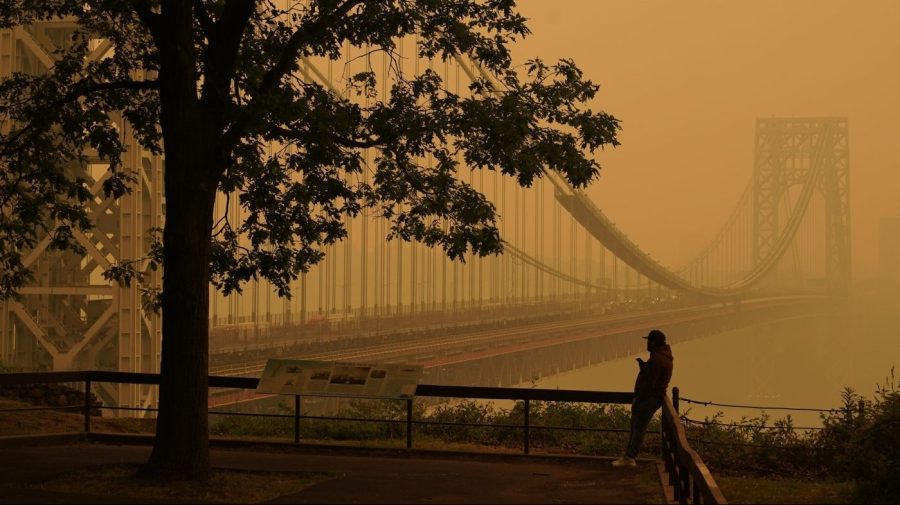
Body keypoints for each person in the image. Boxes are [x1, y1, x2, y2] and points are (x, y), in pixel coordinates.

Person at [612, 329, 674, 468]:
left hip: (648, 399)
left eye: (648, 341)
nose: (646, 344)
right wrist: (644, 367)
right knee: (637, 427)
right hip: (653, 398)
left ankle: (629, 458)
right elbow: (653, 376)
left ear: (653, 342)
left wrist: (640, 398)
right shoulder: (662, 357)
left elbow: (651, 383)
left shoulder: (657, 359)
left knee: (638, 428)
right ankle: (628, 456)